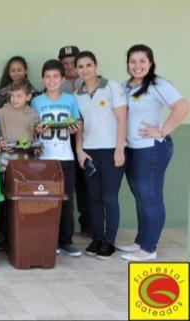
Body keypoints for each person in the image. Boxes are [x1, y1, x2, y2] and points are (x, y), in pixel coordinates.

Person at [118, 44, 189, 261]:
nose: (137, 65)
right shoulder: (126, 86)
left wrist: (162, 130)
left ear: (150, 63)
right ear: (128, 63)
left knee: (150, 197)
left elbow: (183, 106)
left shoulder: (158, 84)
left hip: (152, 150)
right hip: (133, 148)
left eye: (142, 61)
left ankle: (149, 248)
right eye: (133, 61)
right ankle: (141, 240)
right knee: (140, 196)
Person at [73, 51, 128, 260]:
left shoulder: (112, 87)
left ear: (96, 65)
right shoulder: (76, 95)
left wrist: (120, 149)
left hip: (112, 151)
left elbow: (122, 120)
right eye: (81, 66)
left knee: (109, 197)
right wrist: (80, 150)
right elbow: (80, 126)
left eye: (88, 65)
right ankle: (97, 238)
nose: (85, 70)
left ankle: (109, 241)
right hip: (90, 153)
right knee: (93, 199)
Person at [32, 59, 82, 257]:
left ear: (63, 79)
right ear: (43, 79)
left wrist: (75, 130)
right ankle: (49, 239)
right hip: (44, 157)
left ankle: (66, 240)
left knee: (66, 199)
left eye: (55, 77)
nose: (51, 80)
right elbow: (32, 130)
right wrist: (37, 130)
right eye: (47, 77)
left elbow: (77, 124)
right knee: (45, 200)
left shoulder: (70, 100)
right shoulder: (37, 102)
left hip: (65, 156)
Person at [0, 79, 40, 250]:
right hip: (6, 162)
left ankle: (25, 234)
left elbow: (37, 138)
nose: (15, 99)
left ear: (28, 96)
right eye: (12, 95)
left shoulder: (34, 114)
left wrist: (36, 147)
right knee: (6, 200)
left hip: (27, 163)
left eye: (19, 96)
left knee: (25, 200)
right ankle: (5, 237)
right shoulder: (1, 113)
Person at [59, 46, 91, 235]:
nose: (70, 67)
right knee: (68, 185)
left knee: (86, 184)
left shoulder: (89, 81)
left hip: (88, 139)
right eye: (65, 64)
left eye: (73, 63)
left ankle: (88, 223)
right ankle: (64, 230)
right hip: (64, 140)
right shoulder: (57, 83)